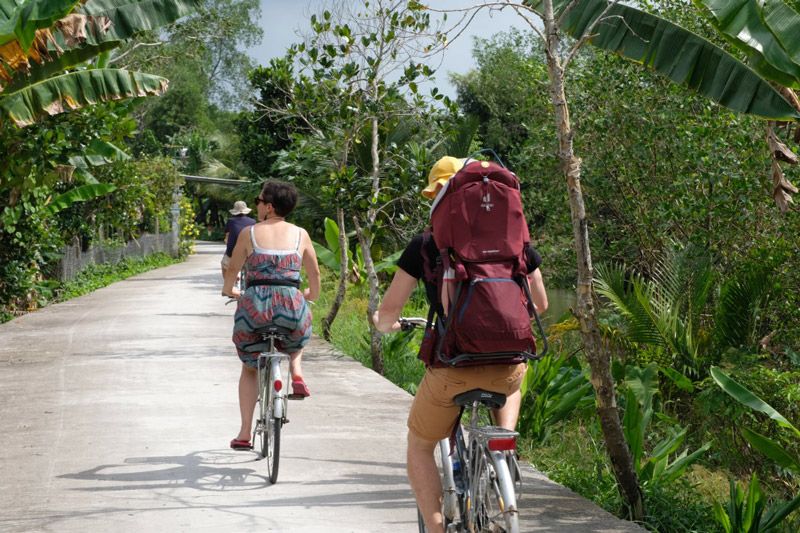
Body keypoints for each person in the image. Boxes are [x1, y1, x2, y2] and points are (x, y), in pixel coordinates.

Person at [372, 156, 548, 533]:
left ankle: (436, 529)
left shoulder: (425, 244)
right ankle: (505, 446)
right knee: (515, 374)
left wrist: (387, 323)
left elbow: (388, 313)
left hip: (453, 370)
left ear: (440, 194)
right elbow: (541, 304)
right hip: (507, 369)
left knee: (419, 446)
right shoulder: (514, 241)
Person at [222, 181, 321, 451]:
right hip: (291, 305)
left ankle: (244, 433)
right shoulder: (301, 234)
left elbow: (233, 269)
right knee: (298, 337)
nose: (256, 205)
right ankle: (297, 373)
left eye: (258, 200)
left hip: (256, 307)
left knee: (249, 367)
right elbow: (315, 275)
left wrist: (228, 289)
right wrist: (311, 294)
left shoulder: (250, 233)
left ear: (269, 206)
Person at [221, 200, 256, 279]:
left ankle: (228, 286)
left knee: (224, 265)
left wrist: (227, 241)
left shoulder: (231, 221)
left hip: (232, 252)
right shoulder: (253, 221)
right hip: (248, 253)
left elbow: (227, 235)